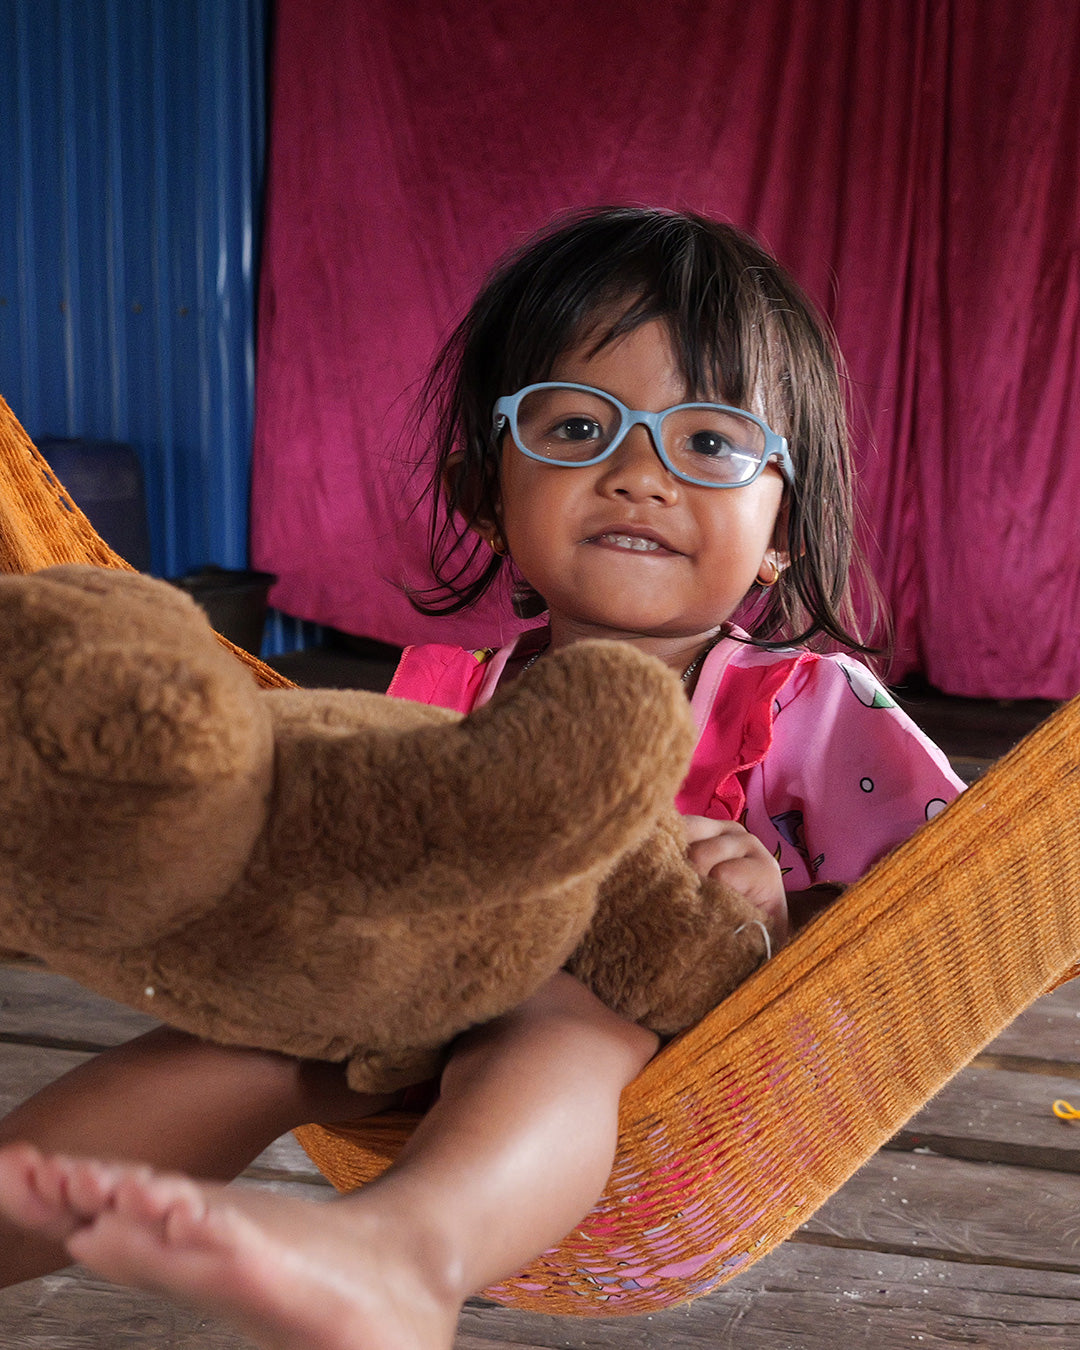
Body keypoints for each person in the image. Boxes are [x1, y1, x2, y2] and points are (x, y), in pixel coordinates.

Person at [0, 206, 964, 1350]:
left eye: (710, 443)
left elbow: (943, 912)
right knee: (257, 1041)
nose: (641, 475)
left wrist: (782, 912)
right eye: (576, 427)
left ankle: (406, 1257)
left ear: (784, 530)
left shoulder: (806, 708)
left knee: (564, 1001)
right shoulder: (446, 703)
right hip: (420, 1012)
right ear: (483, 489)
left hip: (663, 1065)